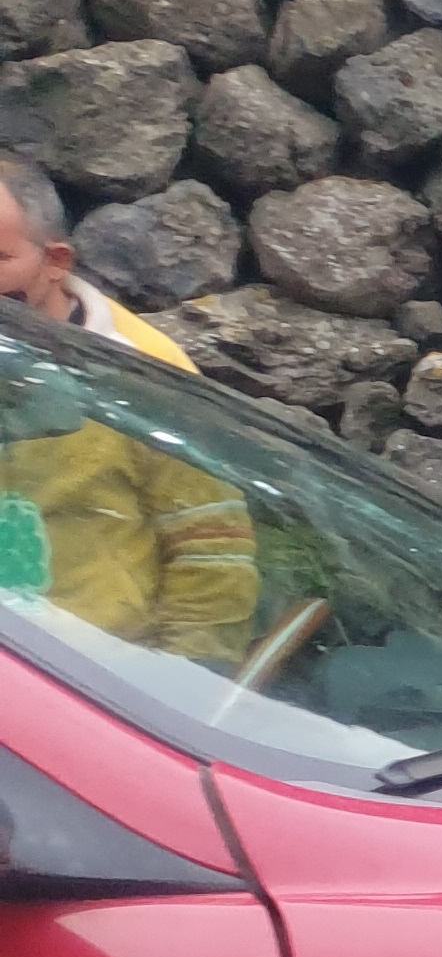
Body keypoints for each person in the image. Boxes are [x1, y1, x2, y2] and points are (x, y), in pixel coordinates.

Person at [0, 153, 261, 664]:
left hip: (89, 685)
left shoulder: (147, 376)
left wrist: (183, 685)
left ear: (56, 262)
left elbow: (213, 551)